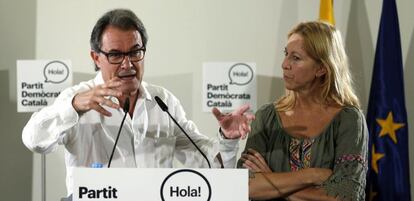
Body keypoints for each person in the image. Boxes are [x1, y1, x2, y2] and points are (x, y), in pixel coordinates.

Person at [22, 8, 254, 195]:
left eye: (135, 52)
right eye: (115, 55)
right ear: (96, 57)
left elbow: (204, 159)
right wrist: (72, 107)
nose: (127, 64)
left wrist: (227, 139)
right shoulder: (77, 99)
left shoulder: (163, 101)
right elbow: (34, 140)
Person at [238, 21, 368, 201]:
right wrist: (312, 175)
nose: (284, 64)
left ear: (322, 68)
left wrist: (270, 179)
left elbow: (346, 196)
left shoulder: (349, 119)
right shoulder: (266, 117)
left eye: (296, 58)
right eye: (286, 54)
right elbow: (244, 187)